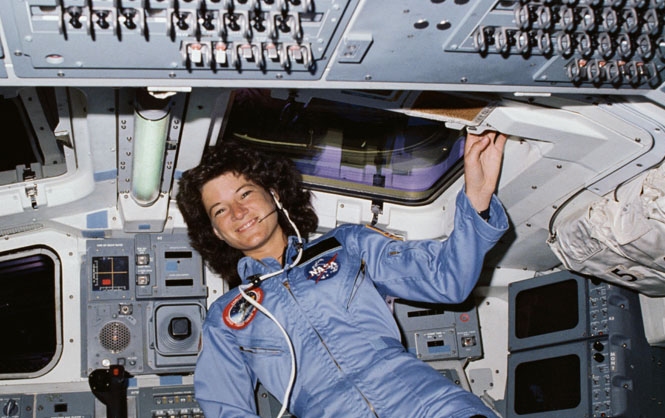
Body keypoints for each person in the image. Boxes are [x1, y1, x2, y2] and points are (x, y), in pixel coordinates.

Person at [177, 130, 509, 418]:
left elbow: (446, 279)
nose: (238, 212)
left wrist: (477, 198)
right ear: (216, 232)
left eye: (245, 193)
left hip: (430, 405)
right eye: (220, 210)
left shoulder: (345, 244)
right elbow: (226, 408)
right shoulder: (226, 316)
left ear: (274, 195)